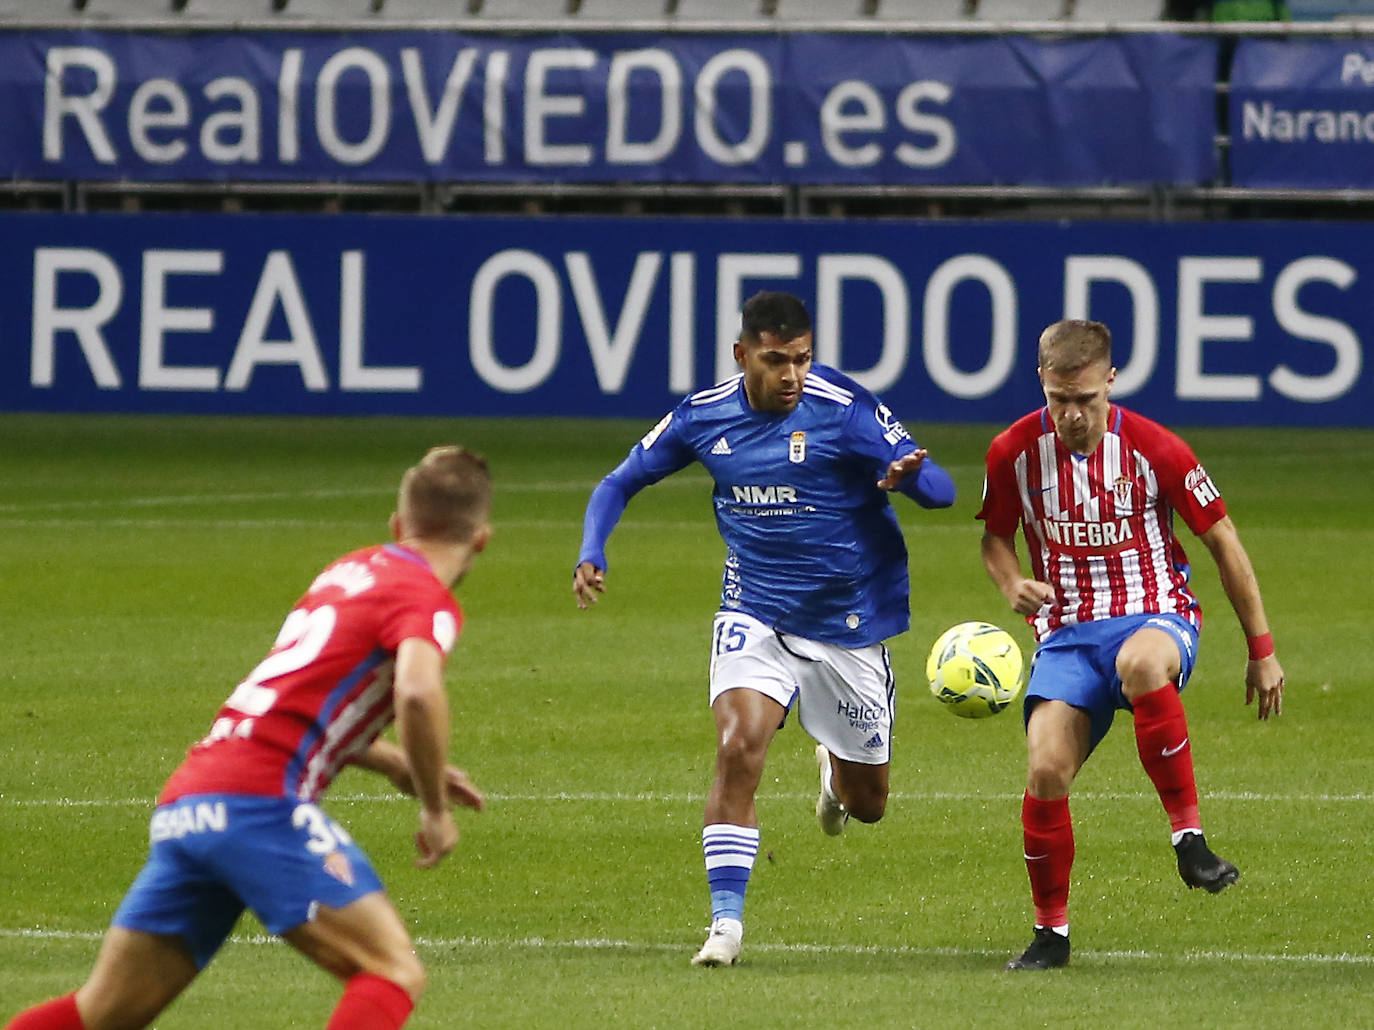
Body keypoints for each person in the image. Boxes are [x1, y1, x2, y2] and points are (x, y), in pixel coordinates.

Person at [5, 446, 493, 1030]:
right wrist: (436, 811)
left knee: (102, 1012)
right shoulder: (425, 599)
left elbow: (292, 700)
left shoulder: (346, 573)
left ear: (397, 525)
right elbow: (416, 691)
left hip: (191, 802)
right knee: (393, 970)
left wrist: (394, 764)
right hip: (259, 804)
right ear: (482, 539)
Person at [572, 290, 956, 967]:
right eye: (776, 360)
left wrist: (909, 481)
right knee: (739, 743)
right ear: (742, 354)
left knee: (869, 805)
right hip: (756, 610)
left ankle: (835, 779)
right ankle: (726, 926)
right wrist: (592, 549)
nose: (791, 376)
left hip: (847, 622)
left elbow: (945, 490)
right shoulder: (703, 416)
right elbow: (617, 484)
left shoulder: (845, 410)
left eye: (803, 360)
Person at [977, 319, 1285, 972]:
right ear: (1043, 385)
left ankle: (1190, 841)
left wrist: (1262, 649)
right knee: (1045, 772)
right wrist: (1011, 583)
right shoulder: (1011, 453)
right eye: (1060, 401)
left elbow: (1222, 541)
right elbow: (995, 537)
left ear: (1110, 382)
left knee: (1141, 663)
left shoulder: (1156, 448)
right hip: (1065, 638)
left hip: (1155, 616)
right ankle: (1050, 935)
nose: (1073, 416)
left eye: (1086, 400)